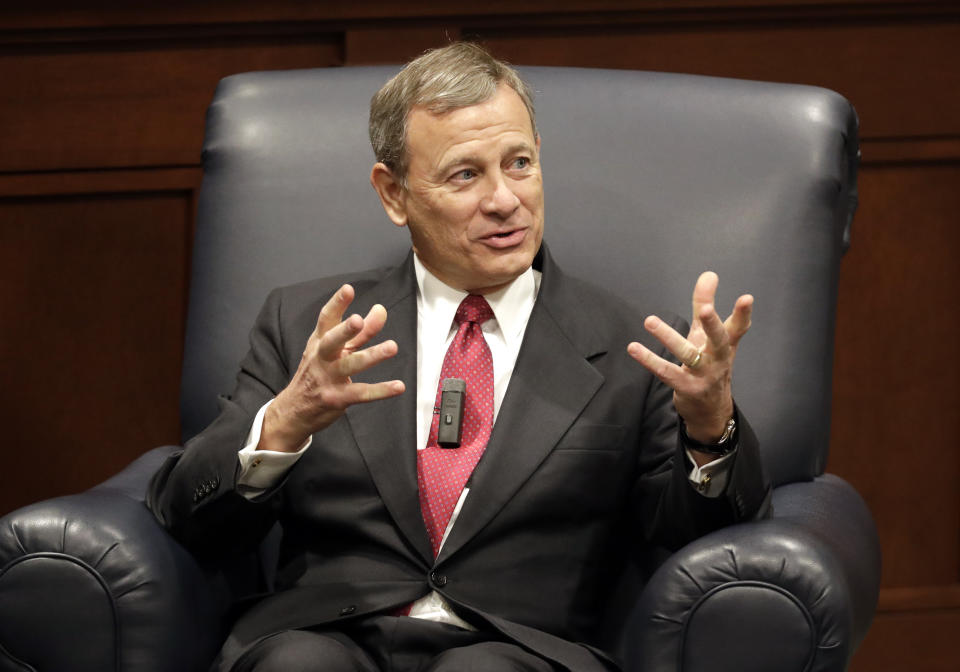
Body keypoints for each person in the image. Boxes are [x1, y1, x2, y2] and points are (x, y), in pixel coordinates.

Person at [148, 42, 770, 672]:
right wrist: (287, 421)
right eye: (465, 174)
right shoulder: (311, 327)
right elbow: (186, 516)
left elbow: (692, 538)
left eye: (520, 163)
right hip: (327, 636)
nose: (505, 200)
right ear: (394, 194)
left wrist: (709, 427)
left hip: (515, 647)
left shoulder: (632, 346)